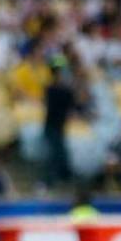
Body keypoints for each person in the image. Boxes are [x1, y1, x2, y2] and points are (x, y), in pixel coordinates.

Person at [43, 57, 76, 189]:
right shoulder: (52, 89)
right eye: (61, 72)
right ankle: (51, 182)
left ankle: (63, 179)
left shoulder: (64, 89)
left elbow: (71, 105)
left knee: (60, 153)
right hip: (52, 126)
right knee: (55, 154)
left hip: (58, 126)